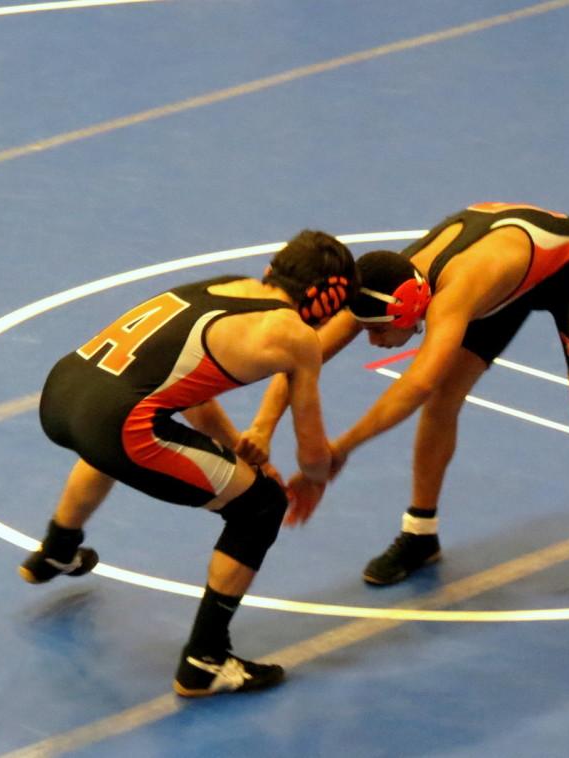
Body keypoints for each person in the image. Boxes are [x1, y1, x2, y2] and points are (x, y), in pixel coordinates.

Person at [243, 202, 569, 597]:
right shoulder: (381, 286)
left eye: (378, 331)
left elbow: (416, 385)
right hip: (505, 273)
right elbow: (303, 355)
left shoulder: (452, 296)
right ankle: (420, 534)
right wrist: (262, 427)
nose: (373, 341)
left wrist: (340, 450)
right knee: (445, 401)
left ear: (409, 311)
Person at [18, 230, 357, 697]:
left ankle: (57, 548)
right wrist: (316, 479)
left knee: (115, 436)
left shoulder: (227, 287)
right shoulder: (296, 336)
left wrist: (238, 446)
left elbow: (194, 400)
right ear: (328, 303)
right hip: (119, 424)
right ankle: (206, 659)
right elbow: (312, 453)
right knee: (260, 507)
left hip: (62, 393)